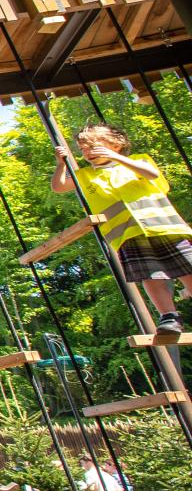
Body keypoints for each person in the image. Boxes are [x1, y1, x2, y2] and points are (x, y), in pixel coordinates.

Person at [54, 123, 192, 334]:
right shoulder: (86, 176)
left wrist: (117, 158)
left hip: (166, 227)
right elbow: (59, 186)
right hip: (127, 234)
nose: (88, 152)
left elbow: (153, 175)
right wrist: (61, 164)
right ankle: (169, 316)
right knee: (150, 275)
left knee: (188, 266)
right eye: (83, 149)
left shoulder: (137, 162)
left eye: (93, 146)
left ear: (116, 144)